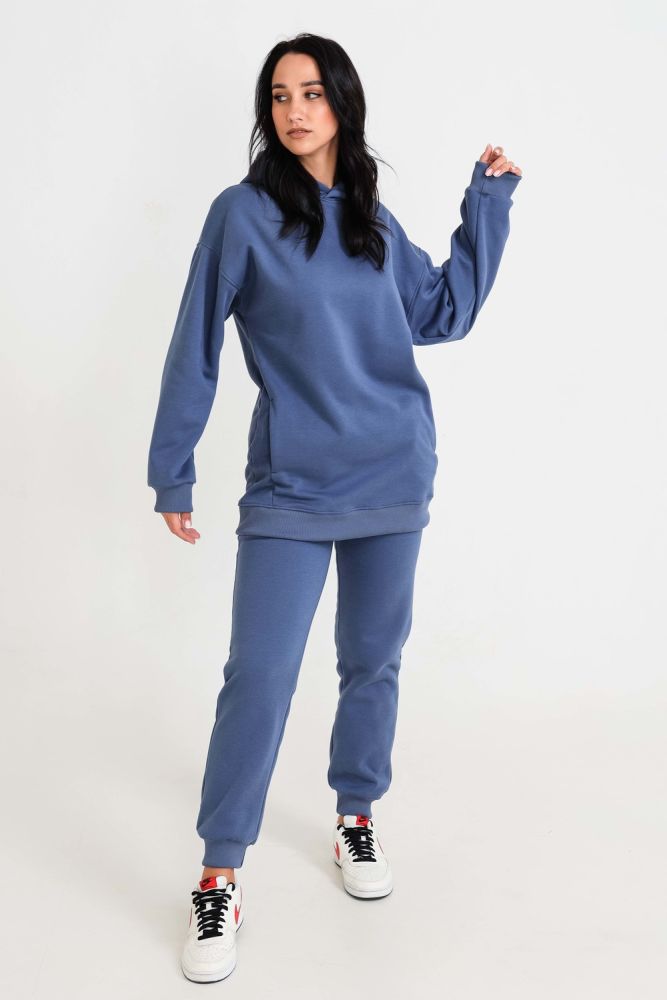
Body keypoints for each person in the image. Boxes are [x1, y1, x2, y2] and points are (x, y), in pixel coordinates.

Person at [147, 32, 522, 984]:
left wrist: (485, 204)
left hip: (393, 475)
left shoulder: (371, 221)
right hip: (293, 487)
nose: (295, 110)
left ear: (342, 105)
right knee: (260, 676)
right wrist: (172, 468)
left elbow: (440, 314)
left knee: (372, 662)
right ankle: (219, 873)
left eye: (312, 93)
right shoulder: (240, 215)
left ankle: (356, 814)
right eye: (279, 96)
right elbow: (195, 339)